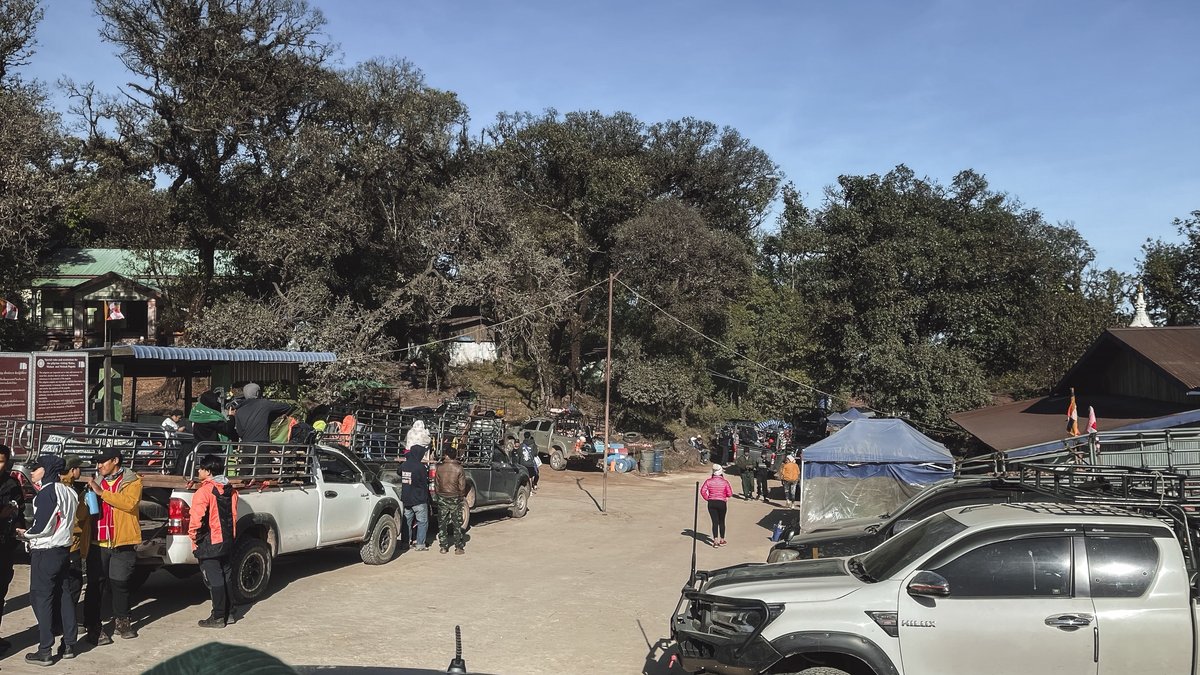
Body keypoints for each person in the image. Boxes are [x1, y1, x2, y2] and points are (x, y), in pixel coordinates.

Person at [20, 454, 79, 665]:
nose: (33, 472)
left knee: (40, 598)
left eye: (36, 468)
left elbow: (43, 526)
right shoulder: (70, 491)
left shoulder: (47, 492)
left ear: (46, 470)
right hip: (63, 549)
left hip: (46, 551)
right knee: (63, 595)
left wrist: (25, 534)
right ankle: (69, 643)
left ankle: (45, 649)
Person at [83, 447, 143, 642]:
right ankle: (93, 625)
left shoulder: (132, 481)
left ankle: (123, 622)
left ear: (115, 461)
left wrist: (102, 493)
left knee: (120, 584)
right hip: (98, 541)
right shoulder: (97, 480)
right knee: (95, 585)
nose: (99, 465)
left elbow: (129, 503)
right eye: (97, 462)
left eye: (103, 461)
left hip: (122, 540)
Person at [189, 454, 238, 628]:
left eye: (201, 468)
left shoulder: (204, 492)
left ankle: (217, 616)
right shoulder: (231, 490)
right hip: (226, 539)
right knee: (226, 575)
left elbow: (196, 519)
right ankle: (229, 613)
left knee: (214, 579)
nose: (198, 471)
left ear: (208, 472)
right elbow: (233, 514)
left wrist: (193, 537)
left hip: (209, 541)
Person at [53, 456, 92, 646]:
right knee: (73, 585)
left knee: (60, 585)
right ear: (72, 470)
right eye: (79, 468)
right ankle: (64, 622)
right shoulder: (69, 491)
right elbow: (77, 519)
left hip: (59, 545)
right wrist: (87, 500)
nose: (81, 472)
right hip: (71, 544)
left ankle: (57, 622)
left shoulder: (55, 487)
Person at [0, 444, 26, 655]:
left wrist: (19, 525)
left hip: (5, 547)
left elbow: (20, 510)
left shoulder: (12, 484)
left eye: (1, 461)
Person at [400, 423, 432, 551]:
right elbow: (424, 482)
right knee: (422, 522)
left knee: (406, 521)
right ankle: (420, 544)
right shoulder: (420, 467)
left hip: (406, 499)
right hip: (418, 499)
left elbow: (399, 472)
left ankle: (404, 543)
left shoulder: (404, 465)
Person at [434, 448, 469, 555]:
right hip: (455, 497)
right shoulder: (459, 468)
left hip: (442, 497)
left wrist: (439, 495)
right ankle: (458, 547)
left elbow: (436, 484)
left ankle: (443, 547)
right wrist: (461, 497)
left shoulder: (439, 468)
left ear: (446, 455)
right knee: (457, 523)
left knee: (442, 523)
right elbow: (462, 486)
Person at [699, 464, 732, 548]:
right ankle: (722, 540)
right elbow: (729, 493)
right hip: (721, 502)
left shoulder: (708, 481)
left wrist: (708, 498)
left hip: (712, 502)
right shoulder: (725, 482)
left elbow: (703, 491)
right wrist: (725, 497)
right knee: (722, 521)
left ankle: (715, 541)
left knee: (714, 522)